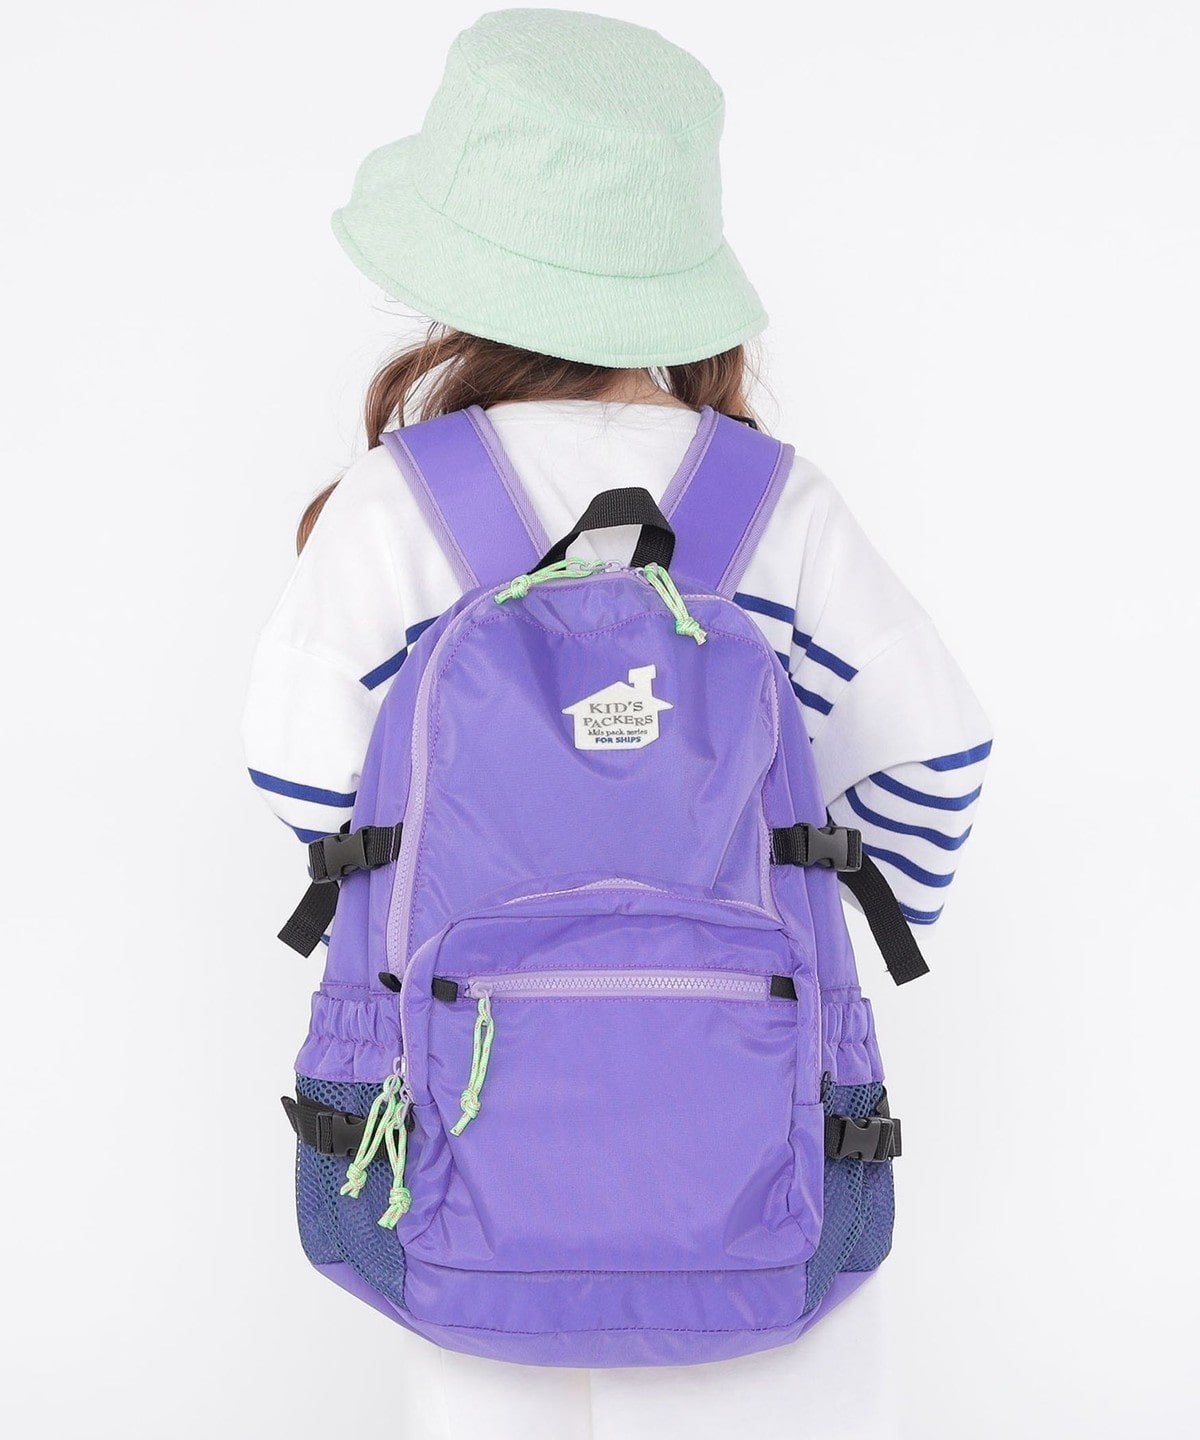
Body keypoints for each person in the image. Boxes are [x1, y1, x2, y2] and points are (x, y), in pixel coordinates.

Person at [241, 9, 990, 1436]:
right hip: (749, 1155)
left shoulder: (398, 505)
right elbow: (938, 754)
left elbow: (303, 779)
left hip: (451, 1147)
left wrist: (454, 897)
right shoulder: (773, 503)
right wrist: (797, 942)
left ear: (466, 275)